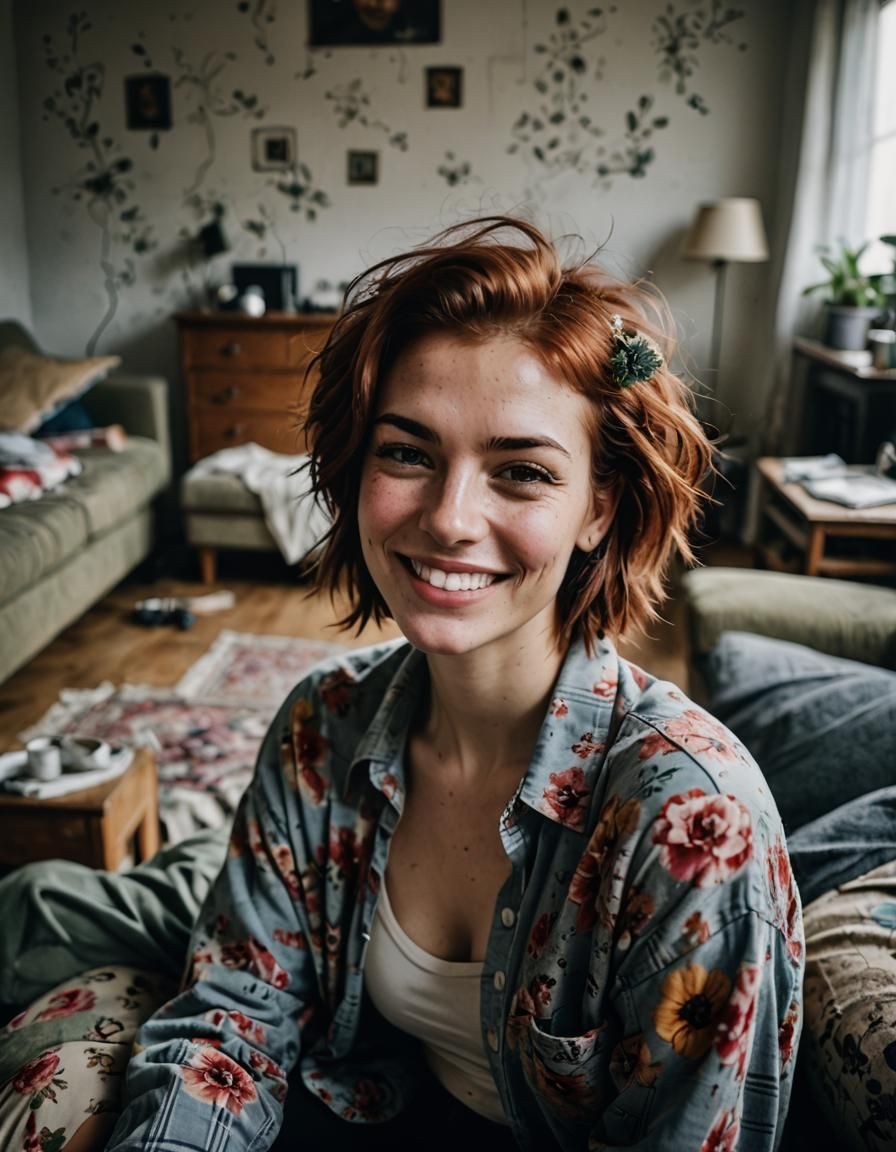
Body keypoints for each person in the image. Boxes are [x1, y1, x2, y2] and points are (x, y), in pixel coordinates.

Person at [106, 217, 803, 1151]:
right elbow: (232, 1016)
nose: (450, 518)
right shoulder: (322, 727)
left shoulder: (693, 826)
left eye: (520, 471)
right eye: (407, 453)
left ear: (598, 507)